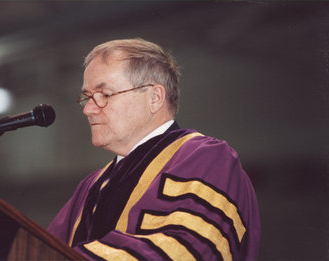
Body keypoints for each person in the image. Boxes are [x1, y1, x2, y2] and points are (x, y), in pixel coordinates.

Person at [48, 38, 261, 260]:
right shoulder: (92, 186)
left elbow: (184, 249)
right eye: (87, 97)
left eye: (104, 95)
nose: (89, 109)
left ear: (155, 97)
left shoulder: (207, 159)